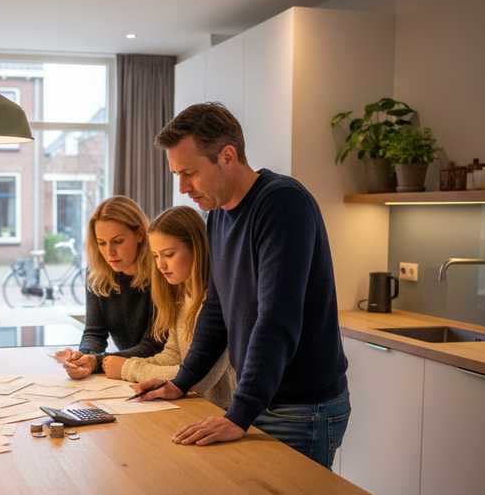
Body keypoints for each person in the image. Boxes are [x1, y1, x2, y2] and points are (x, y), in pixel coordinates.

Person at [137, 103, 350, 469]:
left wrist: (239, 413)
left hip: (298, 408)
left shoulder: (282, 203)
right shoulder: (217, 215)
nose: (183, 187)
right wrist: (183, 381)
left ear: (227, 156)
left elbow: (276, 318)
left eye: (189, 173)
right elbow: (217, 309)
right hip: (260, 400)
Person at [109, 206, 234, 409]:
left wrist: (129, 368)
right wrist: (123, 364)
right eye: (156, 256)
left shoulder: (216, 303)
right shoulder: (183, 295)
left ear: (196, 248)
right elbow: (173, 355)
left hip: (221, 410)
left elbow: (198, 377)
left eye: (168, 254)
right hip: (196, 407)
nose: (161, 265)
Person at [59, 195, 164, 380]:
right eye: (101, 243)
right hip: (125, 371)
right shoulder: (96, 274)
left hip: (158, 372)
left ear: (140, 234)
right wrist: (84, 355)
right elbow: (94, 332)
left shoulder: (162, 273)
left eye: (118, 241)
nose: (109, 252)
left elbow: (152, 346)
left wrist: (96, 362)